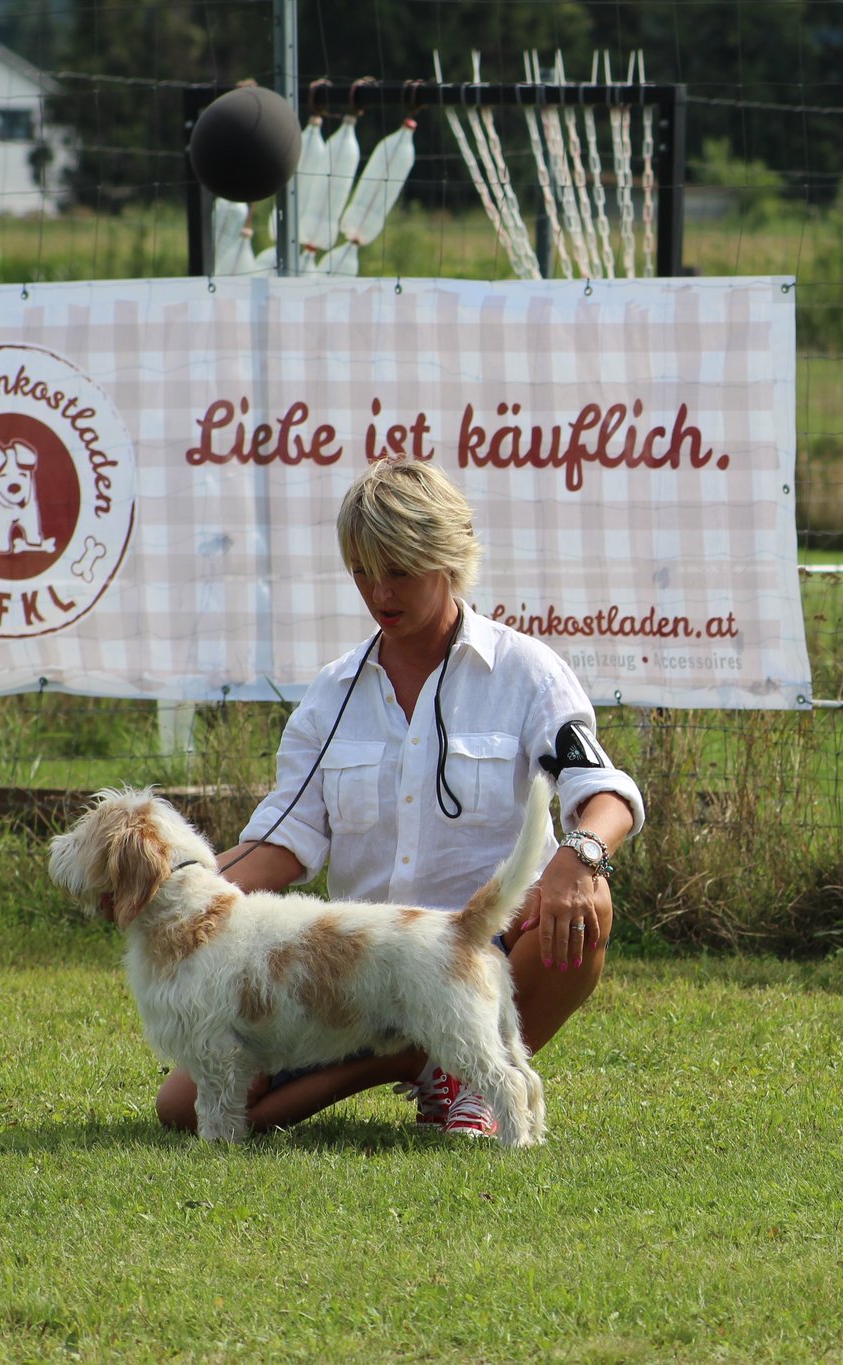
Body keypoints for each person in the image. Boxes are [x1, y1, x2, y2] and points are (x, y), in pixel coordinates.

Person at [156, 458, 644, 1139]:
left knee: (588, 906)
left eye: (400, 570)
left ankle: (469, 1074)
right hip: (357, 976)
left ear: (448, 558)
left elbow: (605, 791)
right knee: (181, 1108)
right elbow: (282, 842)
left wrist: (581, 855)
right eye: (362, 571)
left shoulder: (527, 672)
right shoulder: (331, 695)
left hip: (486, 948)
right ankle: (417, 1054)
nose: (379, 591)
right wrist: (172, 894)